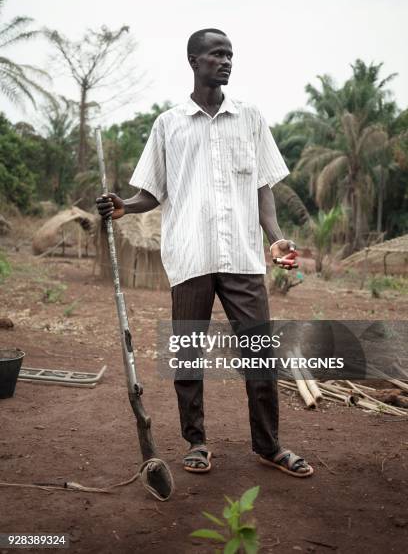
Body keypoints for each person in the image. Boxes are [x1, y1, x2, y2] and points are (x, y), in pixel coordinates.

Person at [96, 28, 313, 478]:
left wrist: (275, 236)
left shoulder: (250, 118)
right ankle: (196, 442)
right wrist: (124, 207)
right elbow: (151, 192)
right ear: (194, 61)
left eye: (230, 54)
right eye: (217, 54)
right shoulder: (168, 124)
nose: (226, 61)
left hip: (243, 260)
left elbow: (262, 187)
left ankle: (269, 445)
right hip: (191, 257)